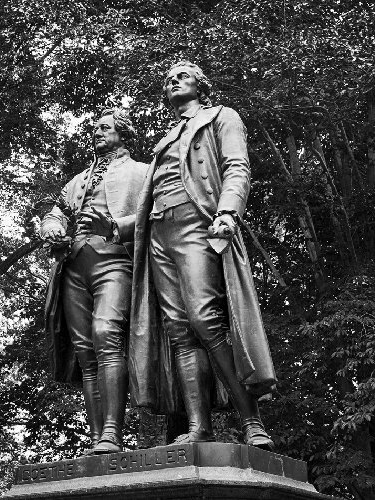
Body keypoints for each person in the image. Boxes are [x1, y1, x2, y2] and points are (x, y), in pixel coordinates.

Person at [129, 61, 276, 450]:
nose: (172, 80)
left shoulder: (221, 117)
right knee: (179, 329)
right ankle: (199, 427)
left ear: (201, 85)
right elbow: (145, 202)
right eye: (168, 79)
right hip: (160, 233)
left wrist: (228, 210)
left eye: (182, 75)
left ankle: (251, 421)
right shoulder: (163, 139)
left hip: (197, 223)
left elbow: (236, 166)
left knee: (205, 319)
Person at [41, 108, 147, 454]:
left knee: (106, 335)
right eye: (95, 128)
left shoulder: (142, 173)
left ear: (122, 132)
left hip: (115, 261)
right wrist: (52, 227)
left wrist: (116, 227)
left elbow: (154, 213)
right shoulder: (78, 179)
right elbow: (56, 211)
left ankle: (113, 433)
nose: (97, 132)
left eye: (105, 128)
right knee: (86, 352)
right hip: (73, 266)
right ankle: (98, 437)